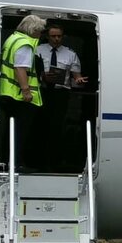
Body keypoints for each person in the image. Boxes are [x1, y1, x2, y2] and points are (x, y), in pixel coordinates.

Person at [0, 14, 48, 171]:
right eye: (39, 31)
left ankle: (8, 159)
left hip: (8, 92)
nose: (40, 35)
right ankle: (17, 163)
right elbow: (20, 68)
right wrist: (26, 91)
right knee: (21, 131)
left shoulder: (12, 39)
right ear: (33, 30)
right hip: (19, 96)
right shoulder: (25, 44)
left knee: (10, 130)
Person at [37, 23, 89, 172]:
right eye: (53, 36)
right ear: (48, 36)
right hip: (42, 92)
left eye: (59, 36)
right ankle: (36, 160)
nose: (56, 39)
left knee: (56, 127)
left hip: (61, 94)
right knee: (40, 126)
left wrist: (78, 80)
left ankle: (53, 162)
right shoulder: (38, 50)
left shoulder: (70, 54)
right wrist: (42, 75)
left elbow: (76, 76)